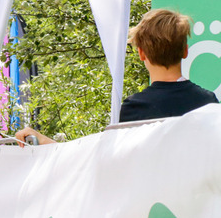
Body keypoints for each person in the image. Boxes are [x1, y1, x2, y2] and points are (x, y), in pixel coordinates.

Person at [17, 8, 218, 146]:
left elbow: (103, 162)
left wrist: (46, 143)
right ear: (185, 50)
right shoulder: (209, 103)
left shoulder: (135, 108)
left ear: (141, 54)